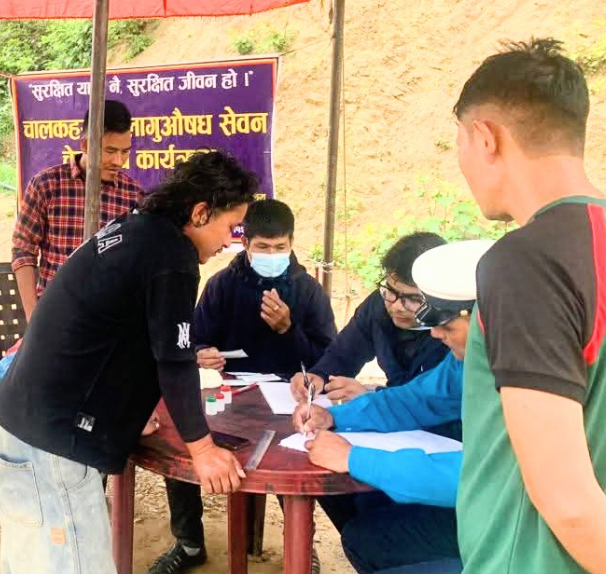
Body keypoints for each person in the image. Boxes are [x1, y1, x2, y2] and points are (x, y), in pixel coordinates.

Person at [0, 152, 258, 573]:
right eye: (230, 226)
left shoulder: (136, 229)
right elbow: (174, 361)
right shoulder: (172, 257)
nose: (229, 241)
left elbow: (121, 333)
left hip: (15, 424)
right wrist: (203, 450)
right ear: (201, 213)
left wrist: (130, 407)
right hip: (52, 445)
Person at [451, 38, 606, 573]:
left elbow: (567, 501)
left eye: (460, 146)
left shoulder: (527, 261)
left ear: (485, 137)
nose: (463, 168)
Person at [151, 199, 336, 574]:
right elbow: (193, 339)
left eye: (280, 247)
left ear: (292, 243)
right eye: (263, 247)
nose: (272, 255)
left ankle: (302, 546)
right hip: (228, 395)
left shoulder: (307, 291)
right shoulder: (222, 285)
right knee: (186, 444)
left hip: (286, 399)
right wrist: (203, 353)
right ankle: (189, 542)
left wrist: (289, 330)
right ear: (246, 243)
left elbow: (327, 360)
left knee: (295, 457)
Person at [295, 239, 493, 574]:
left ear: (485, 319)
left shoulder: (524, 375)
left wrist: (354, 458)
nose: (435, 334)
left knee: (372, 537)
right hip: (484, 499)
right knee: (367, 523)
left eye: (446, 326)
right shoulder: (472, 357)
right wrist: (333, 416)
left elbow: (482, 475)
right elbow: (416, 400)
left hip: (514, 528)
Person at [11, 98, 143, 317]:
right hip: (54, 312)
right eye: (110, 151)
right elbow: (23, 249)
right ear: (85, 145)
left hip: (109, 318)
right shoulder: (47, 185)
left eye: (125, 151)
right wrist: (33, 316)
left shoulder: (133, 195)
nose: (119, 161)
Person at [290, 233, 450, 407]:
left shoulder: (456, 333)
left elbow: (441, 402)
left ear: (439, 297)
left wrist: (373, 399)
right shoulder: (378, 305)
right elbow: (345, 353)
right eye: (391, 290)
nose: (397, 306)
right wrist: (320, 375)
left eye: (413, 299)